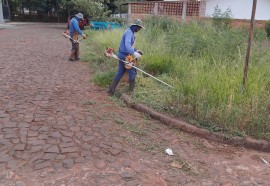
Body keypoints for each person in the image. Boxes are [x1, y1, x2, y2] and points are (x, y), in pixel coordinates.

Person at [107, 19, 145, 95]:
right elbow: (127, 45)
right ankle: (131, 92)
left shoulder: (130, 32)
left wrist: (136, 50)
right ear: (135, 26)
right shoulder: (129, 33)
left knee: (119, 72)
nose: (139, 29)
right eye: (139, 28)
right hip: (125, 56)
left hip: (121, 54)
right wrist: (133, 53)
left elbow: (128, 46)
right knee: (132, 73)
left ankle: (111, 90)